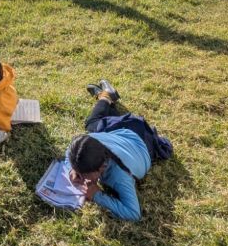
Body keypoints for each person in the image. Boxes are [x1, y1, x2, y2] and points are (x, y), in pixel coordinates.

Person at [67, 80, 173, 222]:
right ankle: (107, 98)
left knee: (92, 122)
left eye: (84, 174)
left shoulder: (120, 178)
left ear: (101, 167)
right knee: (93, 124)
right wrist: (72, 169)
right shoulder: (87, 143)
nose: (81, 177)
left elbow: (133, 213)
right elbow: (70, 150)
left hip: (142, 139)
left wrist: (97, 195)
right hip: (122, 132)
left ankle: (105, 96)